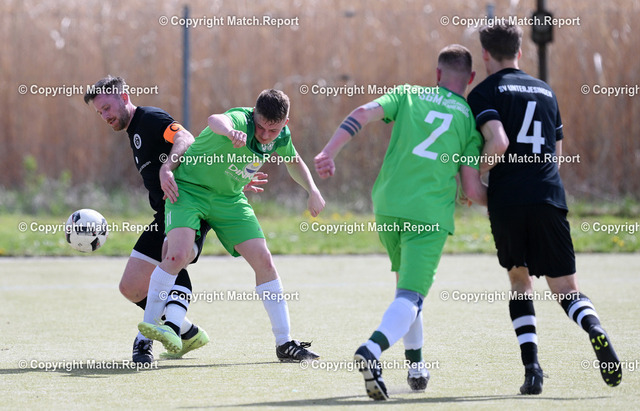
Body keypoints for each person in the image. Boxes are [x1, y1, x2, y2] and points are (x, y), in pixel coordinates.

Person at [315, 44, 487, 401]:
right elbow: (472, 189)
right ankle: (372, 349)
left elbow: (362, 113)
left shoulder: (408, 94)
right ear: (471, 78)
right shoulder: (469, 121)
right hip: (428, 215)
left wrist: (329, 152)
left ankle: (416, 367)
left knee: (404, 290)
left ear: (437, 74)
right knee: (412, 295)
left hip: (388, 206)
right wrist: (504, 201)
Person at [467, 24, 621, 394]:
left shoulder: (484, 92)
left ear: (485, 54)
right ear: (519, 51)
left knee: (521, 282)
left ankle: (532, 371)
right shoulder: (545, 91)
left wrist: (476, 170)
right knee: (567, 289)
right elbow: (557, 155)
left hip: (508, 200)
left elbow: (498, 143)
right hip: (549, 196)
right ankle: (593, 327)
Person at [84, 76, 267, 363]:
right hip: (164, 214)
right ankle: (187, 331)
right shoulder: (134, 131)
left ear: (124, 97)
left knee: (175, 258)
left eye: (107, 108)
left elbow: (185, 138)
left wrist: (167, 168)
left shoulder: (149, 118)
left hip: (187, 207)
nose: (105, 116)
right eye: (100, 112)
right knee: (130, 287)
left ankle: (145, 340)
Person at [137, 89, 325, 362]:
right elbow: (215, 119)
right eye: (260, 127)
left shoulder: (281, 136)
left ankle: (284, 343)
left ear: (285, 123)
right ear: (254, 114)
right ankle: (144, 340)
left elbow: (294, 161)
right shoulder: (239, 119)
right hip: (189, 190)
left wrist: (313, 190)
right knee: (176, 255)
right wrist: (229, 131)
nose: (265, 135)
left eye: (273, 130)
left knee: (265, 260)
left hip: (229, 199)